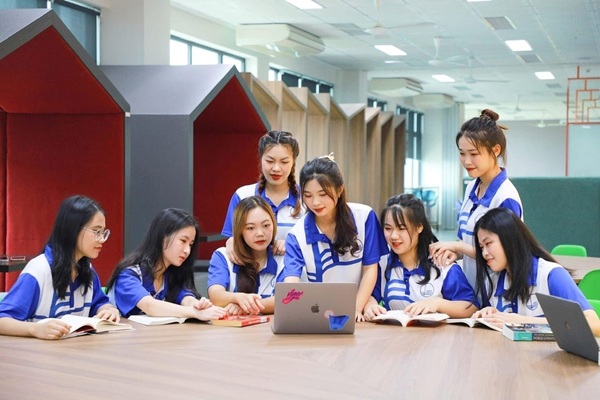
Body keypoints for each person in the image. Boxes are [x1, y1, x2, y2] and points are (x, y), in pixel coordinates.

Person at [281, 155, 389, 322]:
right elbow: (291, 281)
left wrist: (355, 309)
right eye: (308, 195)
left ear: (339, 190)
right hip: (319, 316)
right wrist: (290, 303)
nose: (315, 202)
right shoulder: (296, 235)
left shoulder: (364, 217)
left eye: (323, 194)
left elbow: (370, 269)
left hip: (359, 311)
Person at [0, 195, 120, 340]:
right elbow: (2, 320)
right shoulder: (39, 270)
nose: (102, 239)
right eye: (96, 231)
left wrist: (108, 310)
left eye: (104, 232)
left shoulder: (87, 270)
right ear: (73, 230)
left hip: (75, 351)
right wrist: (35, 329)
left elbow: (100, 303)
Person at [429, 109, 522, 290]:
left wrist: (458, 247)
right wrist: (455, 253)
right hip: (473, 290)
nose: (467, 161)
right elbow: (470, 243)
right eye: (462, 153)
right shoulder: (471, 187)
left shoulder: (506, 197)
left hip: (498, 294)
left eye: (473, 153)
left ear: (495, 150)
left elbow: (506, 255)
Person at [471, 208, 600, 336]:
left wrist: (522, 322)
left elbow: (594, 324)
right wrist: (489, 314)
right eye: (481, 247)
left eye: (488, 243)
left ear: (510, 239)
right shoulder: (491, 282)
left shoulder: (551, 275)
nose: (484, 253)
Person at [363, 194, 477, 321]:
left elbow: (471, 308)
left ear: (419, 227)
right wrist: (370, 306)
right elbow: (371, 295)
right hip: (393, 332)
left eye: (402, 228)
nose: (394, 236)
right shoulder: (382, 262)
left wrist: (437, 303)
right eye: (388, 228)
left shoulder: (441, 263)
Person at [106, 208, 226, 321]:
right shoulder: (128, 274)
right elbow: (150, 306)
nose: (187, 251)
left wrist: (198, 305)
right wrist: (195, 313)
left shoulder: (172, 274)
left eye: (190, 244)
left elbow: (186, 298)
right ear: (162, 237)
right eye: (183, 241)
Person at [221, 130, 302, 263]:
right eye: (270, 161)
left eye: (284, 162)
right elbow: (232, 239)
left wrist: (290, 244)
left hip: (294, 274)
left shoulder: (306, 199)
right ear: (260, 159)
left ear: (293, 162)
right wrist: (231, 242)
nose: (276, 168)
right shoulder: (242, 195)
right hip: (251, 272)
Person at [208, 196, 284, 315]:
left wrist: (244, 306)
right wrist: (238, 298)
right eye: (250, 228)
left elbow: (287, 299)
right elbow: (216, 296)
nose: (260, 233)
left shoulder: (284, 258)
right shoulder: (222, 256)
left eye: (266, 225)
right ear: (239, 230)